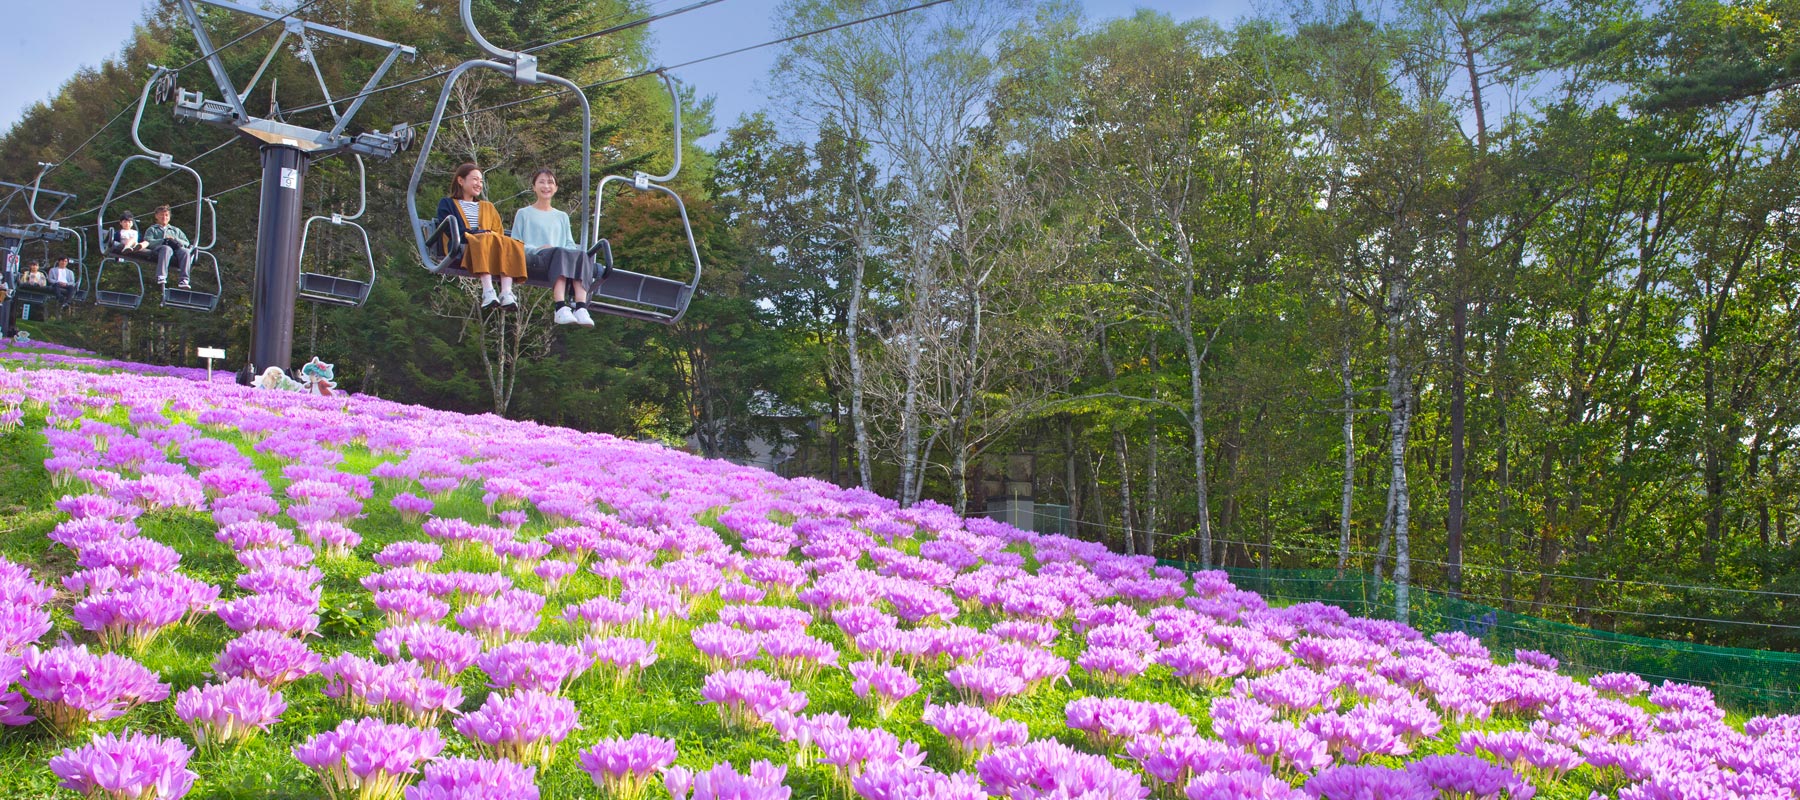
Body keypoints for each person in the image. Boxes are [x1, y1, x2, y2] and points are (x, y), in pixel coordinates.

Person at [512, 168, 598, 327]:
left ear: (556, 188)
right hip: (536, 257)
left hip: (559, 255)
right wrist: (539, 248)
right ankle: (560, 306)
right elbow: (516, 242)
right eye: (542, 182)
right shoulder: (524, 213)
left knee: (583, 255)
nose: (546, 186)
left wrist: (571, 252)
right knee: (559, 253)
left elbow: (569, 243)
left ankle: (581, 307)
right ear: (534, 187)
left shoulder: (562, 216)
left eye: (550, 182)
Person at [434, 163, 527, 309]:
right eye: (475, 180)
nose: (479, 184)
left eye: (481, 181)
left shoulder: (487, 206)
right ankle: (488, 290)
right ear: (461, 180)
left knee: (511, 242)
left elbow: (497, 231)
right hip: (463, 241)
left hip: (488, 240)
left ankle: (506, 291)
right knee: (482, 238)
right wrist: (476, 233)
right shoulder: (448, 203)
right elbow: (450, 228)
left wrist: (488, 235)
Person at [142, 205, 194, 289]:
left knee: (186, 251)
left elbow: (186, 243)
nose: (164, 217)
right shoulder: (152, 229)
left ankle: (184, 279)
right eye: (161, 215)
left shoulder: (175, 230)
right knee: (166, 248)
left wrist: (175, 240)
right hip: (160, 249)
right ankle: (161, 275)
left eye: (166, 215)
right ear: (156, 216)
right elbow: (148, 241)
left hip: (175, 250)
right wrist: (163, 241)